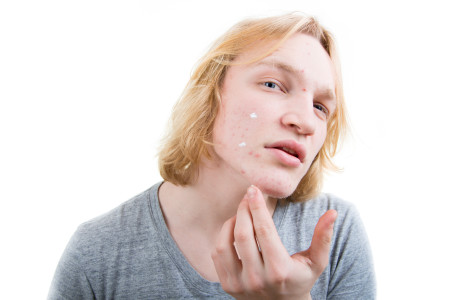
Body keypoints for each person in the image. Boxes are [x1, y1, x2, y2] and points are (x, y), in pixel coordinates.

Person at [48, 12, 375, 299]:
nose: (305, 121)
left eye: (320, 107)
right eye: (273, 84)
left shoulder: (336, 235)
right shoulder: (97, 254)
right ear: (211, 93)